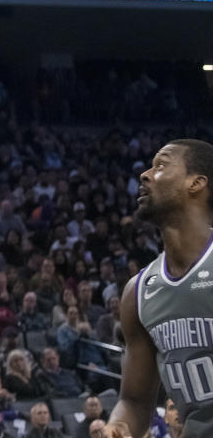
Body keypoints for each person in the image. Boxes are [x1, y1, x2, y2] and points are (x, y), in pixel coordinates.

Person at [104, 140, 213, 437]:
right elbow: (135, 401)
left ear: (197, 182)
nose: (145, 174)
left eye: (161, 165)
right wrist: (120, 426)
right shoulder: (137, 292)